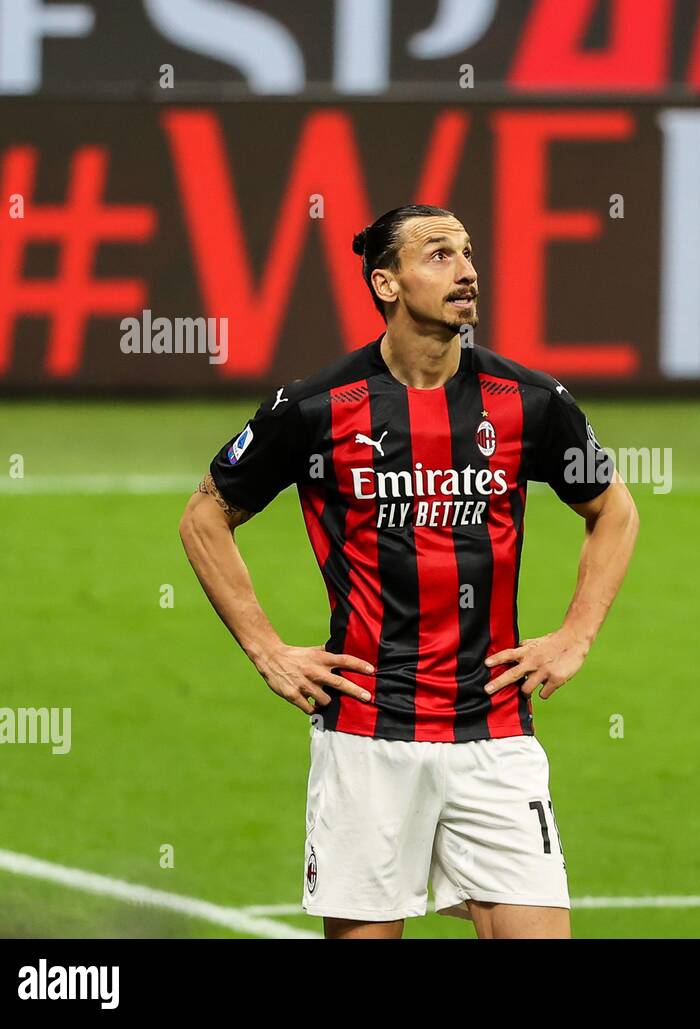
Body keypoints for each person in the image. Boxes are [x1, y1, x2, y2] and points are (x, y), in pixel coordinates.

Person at [178, 204, 639, 939]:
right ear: (385, 283)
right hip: (366, 735)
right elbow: (206, 515)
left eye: (467, 251)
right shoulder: (315, 407)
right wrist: (267, 648)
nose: (466, 269)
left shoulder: (532, 402)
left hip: (493, 733)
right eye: (439, 255)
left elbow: (613, 508)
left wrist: (575, 635)